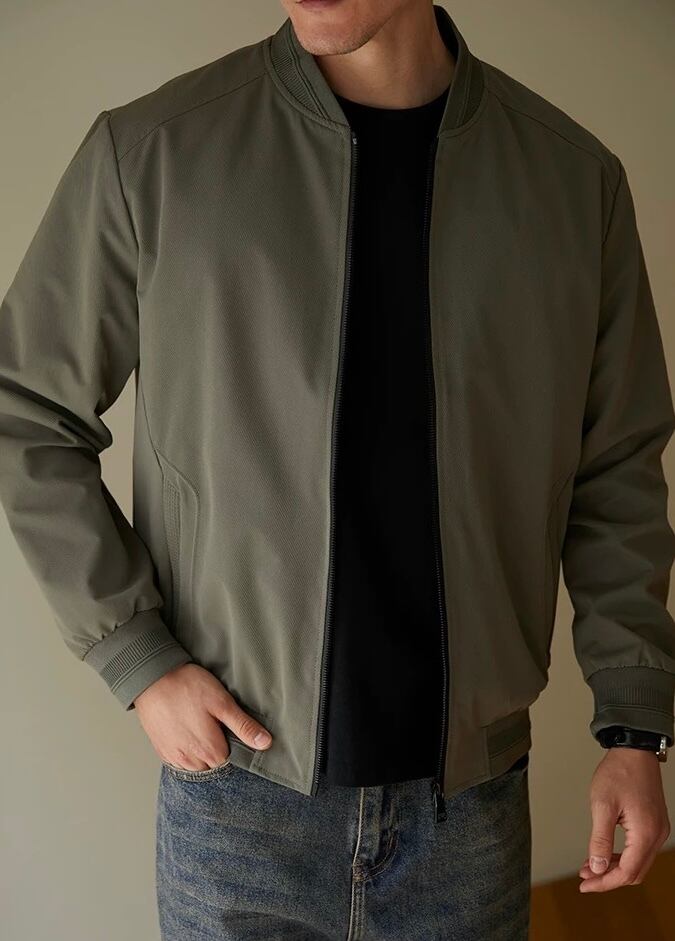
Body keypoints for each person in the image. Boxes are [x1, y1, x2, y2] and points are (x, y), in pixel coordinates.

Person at [1, 1, 673, 937]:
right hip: (237, 797)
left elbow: (616, 466)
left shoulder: (572, 182)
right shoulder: (152, 153)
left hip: (468, 815)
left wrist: (634, 724)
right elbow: (26, 410)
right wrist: (138, 658)